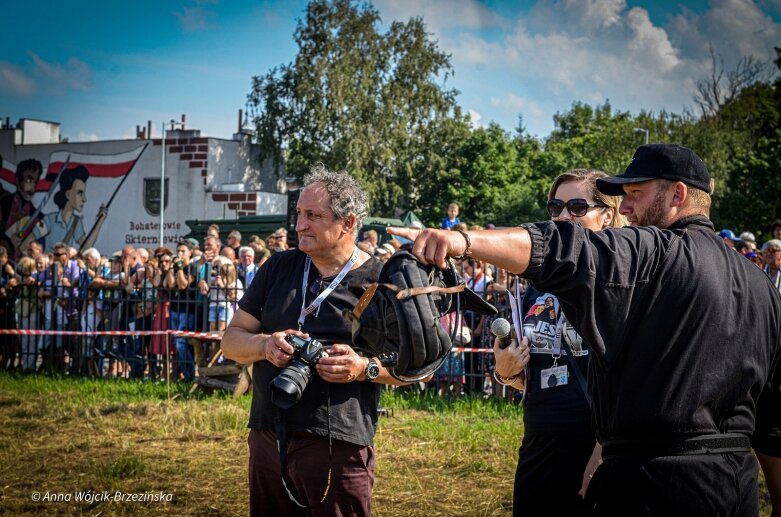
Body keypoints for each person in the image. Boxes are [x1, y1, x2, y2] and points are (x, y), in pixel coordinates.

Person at [390, 144, 781, 517]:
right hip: (734, 485)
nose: (625, 206)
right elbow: (772, 420)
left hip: (653, 484)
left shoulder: (653, 253)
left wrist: (462, 240)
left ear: (677, 194)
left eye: (636, 193)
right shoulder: (761, 286)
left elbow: (561, 248)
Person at [222, 166, 408, 516]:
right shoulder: (278, 266)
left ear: (348, 223)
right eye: (299, 214)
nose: (300, 225)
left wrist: (362, 367)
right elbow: (231, 341)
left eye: (313, 215)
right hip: (268, 436)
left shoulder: (382, 280)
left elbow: (419, 369)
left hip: (338, 444)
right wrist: (264, 345)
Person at [492, 169, 625, 515]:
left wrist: (602, 454)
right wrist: (505, 371)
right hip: (539, 443)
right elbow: (525, 372)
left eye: (577, 207)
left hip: (597, 446)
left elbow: (632, 381)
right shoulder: (539, 284)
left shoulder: (618, 284)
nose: (564, 215)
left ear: (607, 215)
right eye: (556, 207)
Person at [27, 165, 108, 252]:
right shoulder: (49, 220)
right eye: (80, 193)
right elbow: (26, 244)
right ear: (68, 194)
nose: (84, 199)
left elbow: (85, 249)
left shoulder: (76, 223)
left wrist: (98, 223)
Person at [0, 158, 43, 257]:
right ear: (18, 180)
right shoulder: (3, 204)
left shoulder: (38, 215)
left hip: (25, 267)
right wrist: (7, 240)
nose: (32, 187)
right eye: (29, 180)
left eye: (35, 182)